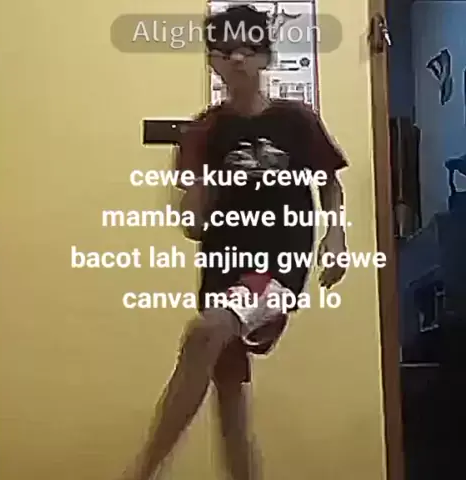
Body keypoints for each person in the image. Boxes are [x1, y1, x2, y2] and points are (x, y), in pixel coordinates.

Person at [121, 5, 348, 480]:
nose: (237, 58)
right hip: (220, 268)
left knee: (203, 333)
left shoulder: (297, 121)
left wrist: (335, 235)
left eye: (248, 48)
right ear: (213, 63)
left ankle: (140, 472)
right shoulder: (205, 130)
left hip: (276, 267)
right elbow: (193, 222)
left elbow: (329, 183)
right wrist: (192, 192)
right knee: (228, 398)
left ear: (265, 57)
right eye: (225, 51)